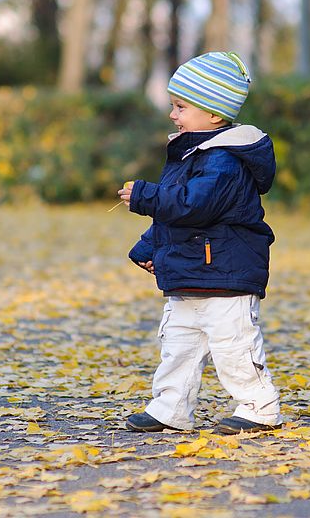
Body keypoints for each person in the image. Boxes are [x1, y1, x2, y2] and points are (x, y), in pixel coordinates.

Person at [118, 51, 281, 435]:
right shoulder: (192, 154)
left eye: (180, 107)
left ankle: (259, 407)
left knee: (234, 347)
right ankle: (171, 407)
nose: (173, 115)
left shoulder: (224, 161)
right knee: (178, 345)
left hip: (225, 274)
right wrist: (148, 249)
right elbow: (174, 217)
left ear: (212, 114)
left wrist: (145, 196)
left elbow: (193, 206)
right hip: (192, 273)